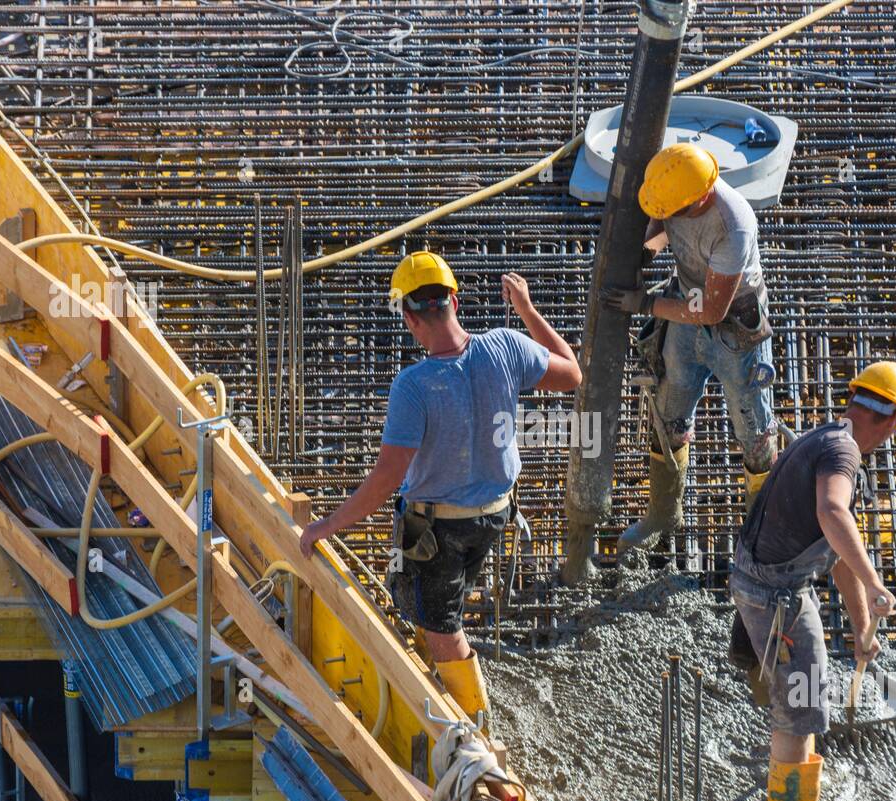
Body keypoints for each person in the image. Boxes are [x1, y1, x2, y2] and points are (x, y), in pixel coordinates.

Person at [299, 251, 581, 718]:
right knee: (431, 601)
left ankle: (472, 723)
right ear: (455, 300)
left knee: (441, 627)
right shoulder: (508, 345)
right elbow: (572, 372)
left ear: (409, 318)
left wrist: (325, 526)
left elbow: (386, 480)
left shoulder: (414, 386)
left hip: (435, 531)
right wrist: (527, 310)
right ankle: (441, 668)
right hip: (494, 515)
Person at [729, 361, 896, 801]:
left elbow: (834, 554)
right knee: (802, 704)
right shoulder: (842, 452)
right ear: (895, 419)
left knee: (800, 697)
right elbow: (832, 511)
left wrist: (860, 625)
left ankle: (786, 783)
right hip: (776, 596)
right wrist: (877, 583)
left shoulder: (825, 439)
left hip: (774, 585)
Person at [600, 142, 777, 554]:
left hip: (732, 325)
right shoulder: (675, 186)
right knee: (669, 410)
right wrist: (647, 248)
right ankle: (663, 513)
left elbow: (713, 310)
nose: (668, 214)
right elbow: (661, 221)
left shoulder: (733, 226)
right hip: (685, 306)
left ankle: (763, 529)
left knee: (753, 427)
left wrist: (645, 304)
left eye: (675, 210)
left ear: (701, 198)